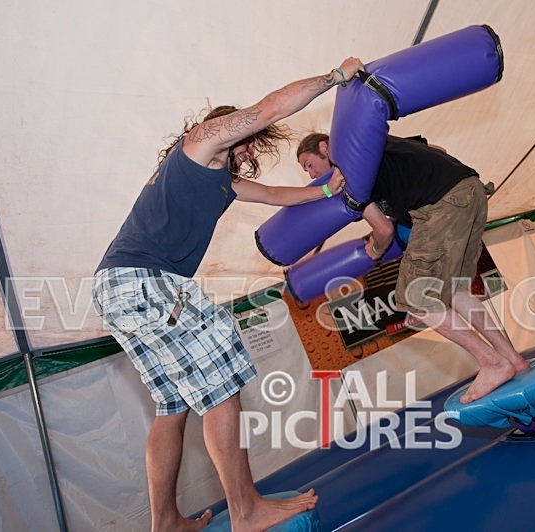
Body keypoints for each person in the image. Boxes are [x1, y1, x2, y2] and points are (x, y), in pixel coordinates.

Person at [92, 58, 362, 532]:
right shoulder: (203, 141)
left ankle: (166, 522)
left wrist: (324, 194)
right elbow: (270, 107)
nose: (253, 149)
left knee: (172, 405)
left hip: (117, 288)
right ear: (230, 131)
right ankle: (246, 510)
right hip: (146, 280)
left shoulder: (223, 182)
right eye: (251, 139)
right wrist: (334, 78)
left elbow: (277, 196)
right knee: (221, 379)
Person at [297, 133, 529, 404]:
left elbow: (383, 230)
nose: (311, 174)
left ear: (325, 147)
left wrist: (373, 250)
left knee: (415, 299)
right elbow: (438, 148)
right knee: (456, 289)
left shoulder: (349, 176)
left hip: (441, 205)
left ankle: (493, 363)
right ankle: (512, 357)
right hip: (472, 190)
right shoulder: (375, 143)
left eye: (309, 164)